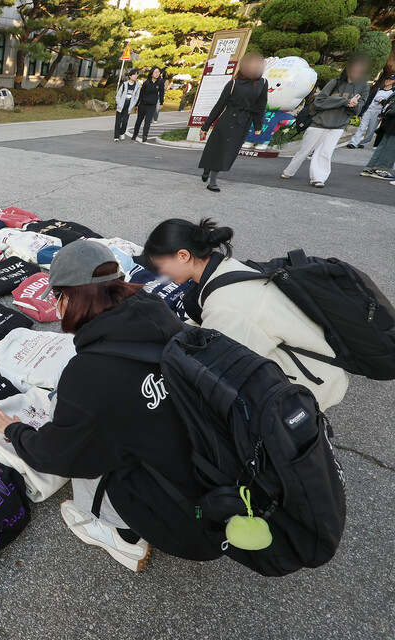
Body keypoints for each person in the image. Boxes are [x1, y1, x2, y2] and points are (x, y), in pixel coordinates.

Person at [0, 240, 223, 572]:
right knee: (91, 419)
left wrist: (13, 429)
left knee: (83, 440)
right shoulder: (157, 311)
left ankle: (119, 533)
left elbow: (56, 456)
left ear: (67, 297)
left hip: (190, 516)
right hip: (213, 467)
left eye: (56, 296)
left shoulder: (89, 375)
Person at [144, 218, 349, 409]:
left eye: (159, 265)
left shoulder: (226, 305)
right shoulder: (226, 268)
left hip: (311, 386)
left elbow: (219, 369)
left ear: (183, 256)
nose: (160, 273)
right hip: (311, 361)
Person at [281, 55, 370, 187]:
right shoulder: (335, 82)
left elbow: (359, 108)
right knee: (305, 149)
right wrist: (344, 102)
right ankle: (289, 171)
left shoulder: (363, 87)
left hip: (338, 125)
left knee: (326, 152)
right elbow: (319, 101)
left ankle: (318, 178)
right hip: (319, 122)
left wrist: (354, 105)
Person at [197, 52, 267, 192]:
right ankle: (212, 180)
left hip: (244, 122)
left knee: (229, 151)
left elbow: (261, 105)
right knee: (218, 148)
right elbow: (220, 105)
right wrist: (206, 125)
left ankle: (210, 170)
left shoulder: (263, 83)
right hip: (228, 119)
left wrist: (258, 124)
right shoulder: (234, 83)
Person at [348, 74, 395, 149]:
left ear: (393, 81)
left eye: (390, 80)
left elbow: (390, 104)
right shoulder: (378, 90)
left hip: (378, 113)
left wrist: (383, 102)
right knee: (361, 127)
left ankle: (364, 143)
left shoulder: (392, 92)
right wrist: (361, 111)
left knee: (371, 130)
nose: (387, 81)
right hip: (369, 110)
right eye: (387, 79)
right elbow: (368, 100)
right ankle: (353, 143)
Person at [360, 93, 395, 180]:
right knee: (391, 147)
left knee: (383, 145)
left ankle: (370, 167)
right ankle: (381, 169)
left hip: (389, 121)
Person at [132, 67, 165, 142]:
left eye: (158, 72)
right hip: (143, 104)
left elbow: (161, 93)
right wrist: (137, 104)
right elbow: (141, 94)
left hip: (152, 104)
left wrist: (161, 103)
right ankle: (135, 134)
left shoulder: (160, 82)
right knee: (139, 120)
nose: (157, 74)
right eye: (156, 72)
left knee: (148, 120)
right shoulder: (146, 82)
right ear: (152, 73)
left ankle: (145, 136)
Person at [114, 69, 141, 142]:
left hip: (128, 107)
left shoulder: (137, 86)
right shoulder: (124, 84)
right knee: (118, 122)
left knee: (125, 121)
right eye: (134, 74)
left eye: (137, 74)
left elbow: (136, 97)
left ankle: (122, 132)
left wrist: (132, 105)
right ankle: (116, 136)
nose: (135, 76)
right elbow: (118, 95)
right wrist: (119, 103)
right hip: (121, 106)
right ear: (130, 76)